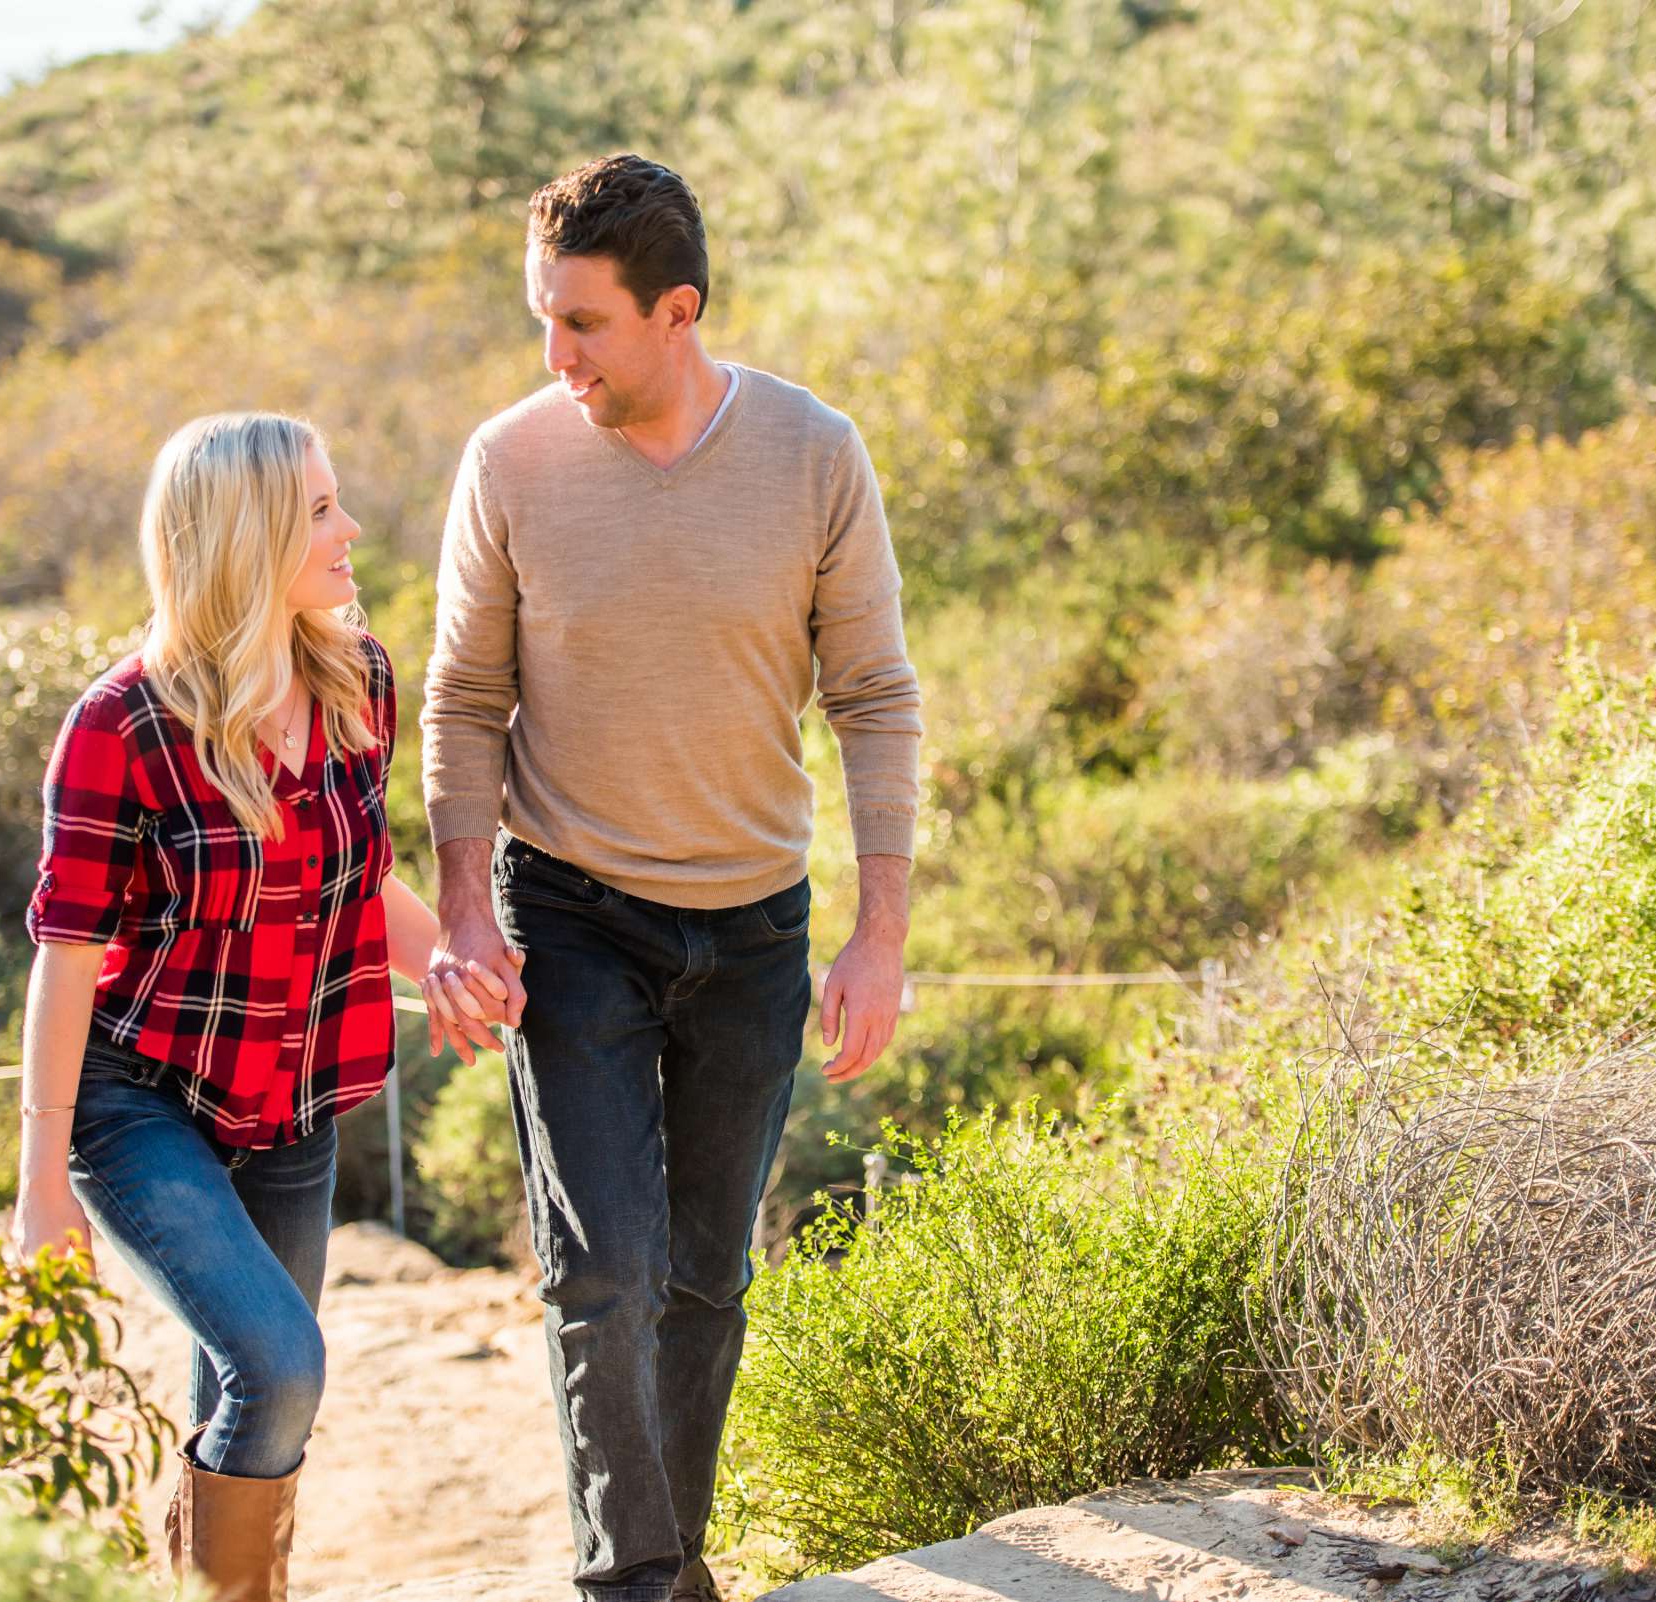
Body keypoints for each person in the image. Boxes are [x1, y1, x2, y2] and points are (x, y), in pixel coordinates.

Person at [420, 154, 924, 1602]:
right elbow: (463, 699)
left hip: (757, 923)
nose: (552, 355)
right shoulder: (507, 461)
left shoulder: (815, 452)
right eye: (543, 318)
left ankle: (675, 1556)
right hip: (568, 910)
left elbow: (876, 695)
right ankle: (633, 1580)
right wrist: (464, 906)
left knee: (706, 1276)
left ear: (676, 309)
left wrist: (878, 934)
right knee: (602, 1269)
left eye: (580, 323)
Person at [11, 411, 486, 1602]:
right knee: (280, 1369)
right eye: (321, 510)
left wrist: (450, 967)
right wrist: (38, 1187)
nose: (352, 530)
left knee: (242, 1387)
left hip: (298, 1099)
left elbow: (363, 878)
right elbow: (67, 956)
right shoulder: (117, 725)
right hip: (141, 1104)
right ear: (247, 534)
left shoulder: (356, 676)